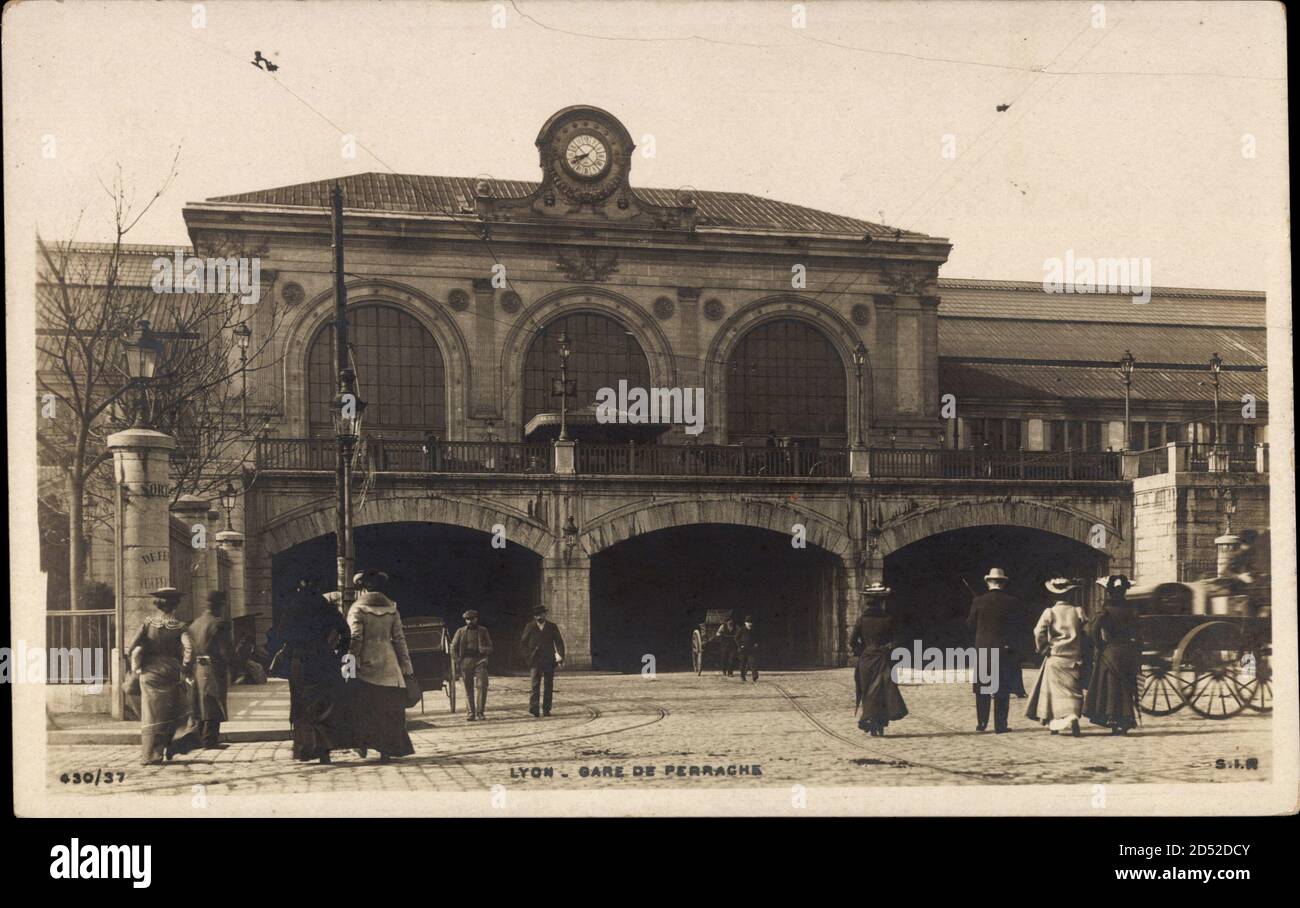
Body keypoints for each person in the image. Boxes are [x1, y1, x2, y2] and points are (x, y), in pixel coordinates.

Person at [276, 578, 351, 764]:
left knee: (301, 704)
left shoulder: (293, 607)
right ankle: (324, 750)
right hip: (324, 658)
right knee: (324, 704)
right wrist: (339, 654)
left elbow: (281, 634)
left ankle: (303, 749)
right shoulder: (327, 607)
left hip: (300, 661)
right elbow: (346, 632)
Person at [125, 587, 202, 765]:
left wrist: (137, 665)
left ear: (158, 605)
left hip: (149, 673)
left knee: (151, 713)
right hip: (171, 672)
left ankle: (151, 754)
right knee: (172, 711)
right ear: (175, 606)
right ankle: (172, 745)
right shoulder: (181, 626)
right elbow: (189, 649)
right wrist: (185, 668)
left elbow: (132, 648)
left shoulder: (147, 623)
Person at [346, 570, 415, 761]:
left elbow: (355, 638)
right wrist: (406, 665)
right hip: (390, 664)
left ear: (363, 587)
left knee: (364, 707)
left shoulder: (357, 608)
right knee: (389, 710)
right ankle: (386, 749)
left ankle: (363, 745)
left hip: (366, 665)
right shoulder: (392, 607)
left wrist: (350, 662)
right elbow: (400, 639)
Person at [966, 567, 1027, 733]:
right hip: (1004, 651)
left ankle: (982, 723)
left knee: (983, 689)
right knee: (1002, 689)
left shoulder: (978, 601)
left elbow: (970, 625)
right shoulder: (1012, 602)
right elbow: (1018, 627)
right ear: (1003, 583)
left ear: (988, 582)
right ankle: (1000, 725)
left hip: (984, 650)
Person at [1026, 577, 1089, 736]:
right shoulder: (1078, 611)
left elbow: (1038, 632)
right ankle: (1073, 716)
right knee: (1073, 690)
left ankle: (1055, 722)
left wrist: (1044, 648)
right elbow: (1087, 632)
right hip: (1074, 659)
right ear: (1070, 595)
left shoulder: (1050, 612)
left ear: (1055, 596)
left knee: (1054, 693)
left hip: (1056, 657)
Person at [1084, 575, 1142, 735]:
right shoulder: (1131, 610)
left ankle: (1113, 719)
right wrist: (1136, 652)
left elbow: (1093, 631)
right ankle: (1125, 720)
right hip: (1127, 651)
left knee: (1110, 687)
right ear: (1124, 592)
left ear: (1109, 592)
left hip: (1110, 651)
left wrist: (1100, 645)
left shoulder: (1105, 611)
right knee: (1125, 686)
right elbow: (1138, 634)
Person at [850, 593, 907, 736]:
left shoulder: (861, 620)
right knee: (882, 690)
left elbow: (852, 640)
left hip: (866, 659)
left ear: (868, 604)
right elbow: (896, 639)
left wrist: (862, 651)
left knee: (867, 690)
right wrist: (888, 649)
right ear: (881, 603)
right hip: (882, 657)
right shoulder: (888, 619)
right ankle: (880, 722)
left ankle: (869, 718)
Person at [188, 590, 235, 748]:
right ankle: (210, 740)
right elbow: (226, 650)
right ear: (220, 605)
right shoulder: (219, 623)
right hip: (214, 667)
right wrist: (234, 666)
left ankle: (201, 737)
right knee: (214, 701)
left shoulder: (195, 623)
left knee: (202, 701)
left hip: (198, 667)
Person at [520, 606, 565, 717]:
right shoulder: (530, 626)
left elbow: (559, 642)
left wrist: (560, 656)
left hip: (549, 660)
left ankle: (546, 709)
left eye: (541, 614)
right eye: (537, 615)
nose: (539, 616)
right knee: (535, 685)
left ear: (545, 614)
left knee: (548, 685)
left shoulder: (552, 627)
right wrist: (527, 657)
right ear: (534, 616)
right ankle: (534, 709)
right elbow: (523, 643)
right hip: (535, 661)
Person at [451, 609, 493, 721]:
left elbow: (490, 646)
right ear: (465, 620)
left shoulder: (483, 631)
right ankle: (470, 713)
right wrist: (458, 660)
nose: (469, 621)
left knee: (482, 686)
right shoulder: (460, 632)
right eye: (467, 619)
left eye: (472, 619)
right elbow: (453, 647)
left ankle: (480, 713)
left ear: (476, 619)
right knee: (468, 688)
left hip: (480, 661)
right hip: (466, 661)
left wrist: (484, 650)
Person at [713, 613, 738, 677]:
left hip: (733, 644)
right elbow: (718, 633)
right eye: (729, 621)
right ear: (727, 621)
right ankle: (724, 671)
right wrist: (719, 634)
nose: (730, 622)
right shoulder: (723, 626)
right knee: (724, 658)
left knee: (732, 658)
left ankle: (730, 672)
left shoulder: (736, 626)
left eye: (731, 621)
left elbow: (739, 632)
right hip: (725, 644)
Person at [736, 615, 759, 682]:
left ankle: (755, 676)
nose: (750, 624)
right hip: (743, 650)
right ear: (745, 623)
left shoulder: (754, 630)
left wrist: (756, 643)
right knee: (743, 663)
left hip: (751, 649)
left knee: (752, 662)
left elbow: (757, 638)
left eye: (751, 622)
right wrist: (740, 645)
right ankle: (742, 676)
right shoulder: (742, 629)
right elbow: (736, 638)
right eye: (748, 622)